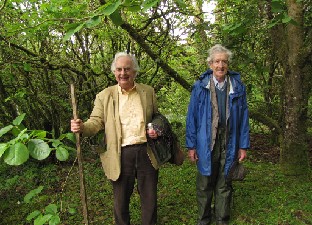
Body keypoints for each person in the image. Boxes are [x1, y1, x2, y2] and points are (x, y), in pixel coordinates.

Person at [71, 52, 160, 225]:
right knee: (120, 204)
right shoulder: (105, 96)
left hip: (146, 152)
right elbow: (95, 122)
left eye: (127, 69)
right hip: (120, 154)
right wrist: (81, 127)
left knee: (150, 202)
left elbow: (157, 116)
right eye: (119, 69)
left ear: (134, 71)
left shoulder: (147, 91)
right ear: (114, 72)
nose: (123, 73)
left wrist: (155, 128)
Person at [185, 44, 250, 225]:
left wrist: (243, 145)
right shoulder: (200, 87)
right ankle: (204, 219)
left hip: (230, 138)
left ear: (228, 64)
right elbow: (192, 118)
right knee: (205, 182)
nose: (220, 65)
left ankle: (222, 219)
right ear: (210, 64)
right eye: (217, 61)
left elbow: (244, 117)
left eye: (224, 62)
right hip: (206, 140)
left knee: (225, 181)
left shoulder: (237, 86)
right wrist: (191, 146)